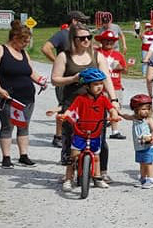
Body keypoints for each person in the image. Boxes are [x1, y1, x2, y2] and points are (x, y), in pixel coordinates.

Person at [51, 23, 117, 183]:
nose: (86, 40)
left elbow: (106, 77)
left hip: (94, 105)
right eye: (82, 38)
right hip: (73, 104)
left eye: (89, 37)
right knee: (70, 140)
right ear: (73, 39)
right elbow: (55, 80)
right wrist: (73, 78)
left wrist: (113, 100)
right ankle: (69, 174)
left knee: (99, 139)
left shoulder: (97, 55)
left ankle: (100, 172)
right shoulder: (64, 56)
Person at [0, 20, 47, 168]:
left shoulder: (24, 53)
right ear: (15, 38)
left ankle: (23, 155)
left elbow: (30, 71)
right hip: (8, 97)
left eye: (27, 41)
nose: (26, 44)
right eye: (24, 41)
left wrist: (40, 81)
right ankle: (6, 157)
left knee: (24, 125)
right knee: (8, 126)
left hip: (27, 96)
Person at [57, 68, 122, 192]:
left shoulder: (103, 99)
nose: (99, 87)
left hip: (95, 132)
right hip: (80, 132)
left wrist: (114, 115)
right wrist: (65, 115)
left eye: (101, 83)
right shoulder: (80, 99)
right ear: (87, 86)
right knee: (74, 155)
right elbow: (71, 109)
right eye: (95, 84)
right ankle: (69, 178)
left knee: (96, 156)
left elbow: (111, 108)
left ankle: (97, 178)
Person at [41, 11, 89, 148]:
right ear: (74, 21)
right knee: (64, 106)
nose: (84, 24)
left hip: (80, 78)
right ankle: (58, 136)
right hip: (65, 78)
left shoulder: (79, 36)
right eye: (82, 21)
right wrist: (57, 62)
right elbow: (46, 48)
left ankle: (76, 134)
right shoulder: (63, 34)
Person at [122, 94, 153, 189]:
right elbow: (126, 116)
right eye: (143, 109)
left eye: (147, 109)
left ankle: (150, 179)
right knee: (142, 163)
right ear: (136, 110)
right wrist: (119, 113)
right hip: (139, 146)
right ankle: (143, 178)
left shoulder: (148, 120)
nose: (145, 111)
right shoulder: (134, 118)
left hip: (149, 146)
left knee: (148, 163)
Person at [96, 30, 128, 139]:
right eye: (106, 41)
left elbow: (125, 70)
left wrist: (120, 68)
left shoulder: (118, 55)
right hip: (100, 86)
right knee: (99, 109)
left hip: (116, 86)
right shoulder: (97, 53)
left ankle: (115, 131)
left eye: (111, 41)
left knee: (114, 108)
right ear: (102, 41)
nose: (108, 43)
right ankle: (97, 129)